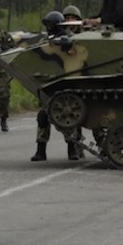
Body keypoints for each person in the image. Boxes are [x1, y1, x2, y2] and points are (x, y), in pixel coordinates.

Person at [30, 11, 83, 162]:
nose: (48, 27)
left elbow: (70, 44)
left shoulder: (67, 36)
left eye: (51, 24)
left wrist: (63, 41)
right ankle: (41, 150)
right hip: (49, 81)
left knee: (69, 116)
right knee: (43, 117)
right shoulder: (48, 38)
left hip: (66, 81)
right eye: (47, 24)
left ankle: (72, 148)